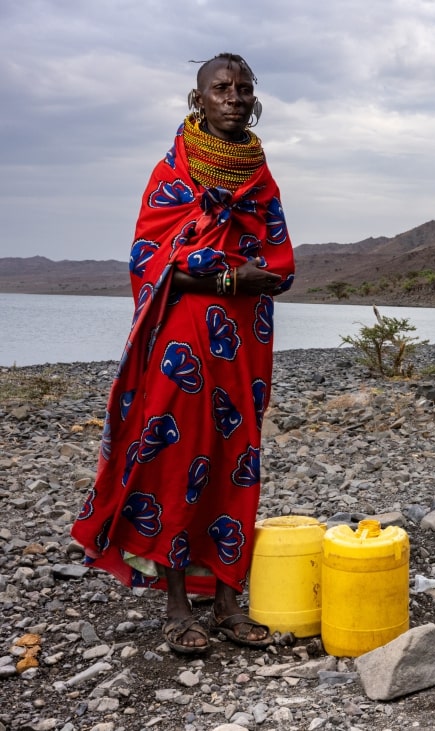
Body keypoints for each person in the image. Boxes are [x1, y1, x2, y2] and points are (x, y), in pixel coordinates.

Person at [71, 53, 295, 655]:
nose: (234, 97)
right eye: (220, 88)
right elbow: (150, 261)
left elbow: (278, 261)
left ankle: (226, 600)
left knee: (235, 456)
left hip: (243, 340)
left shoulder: (260, 177)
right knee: (175, 456)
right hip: (182, 340)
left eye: (243, 89)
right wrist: (228, 278)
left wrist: (256, 277)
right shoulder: (172, 171)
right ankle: (176, 605)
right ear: (198, 98)